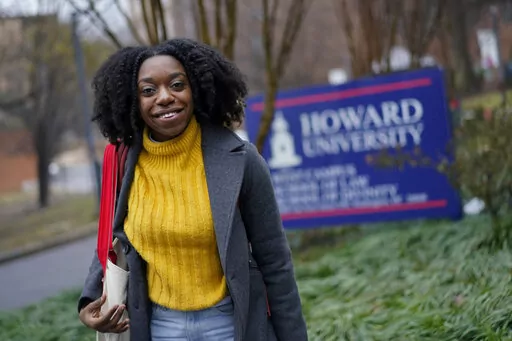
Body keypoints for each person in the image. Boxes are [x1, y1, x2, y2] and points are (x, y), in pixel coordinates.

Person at [77, 38, 308, 341]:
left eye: (176, 84)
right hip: (159, 326)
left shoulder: (241, 160)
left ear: (196, 89)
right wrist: (89, 300)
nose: (164, 98)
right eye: (148, 90)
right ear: (133, 100)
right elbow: (112, 237)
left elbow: (276, 262)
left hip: (229, 323)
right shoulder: (123, 162)